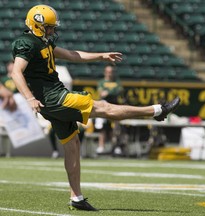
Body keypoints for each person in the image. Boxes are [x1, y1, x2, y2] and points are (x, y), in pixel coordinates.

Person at [11, 5, 180, 211]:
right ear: (36, 25)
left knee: (72, 145)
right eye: (48, 28)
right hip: (55, 97)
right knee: (104, 107)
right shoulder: (26, 43)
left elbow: (73, 55)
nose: (52, 31)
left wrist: (100, 56)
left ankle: (76, 197)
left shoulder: (41, 43)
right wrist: (29, 99)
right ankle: (157, 111)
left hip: (52, 101)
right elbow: (16, 73)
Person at [96, 65, 123, 154]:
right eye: (108, 72)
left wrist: (108, 91)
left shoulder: (117, 82)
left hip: (115, 106)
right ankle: (101, 146)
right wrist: (112, 91)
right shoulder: (101, 82)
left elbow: (119, 90)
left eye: (111, 72)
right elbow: (101, 93)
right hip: (104, 107)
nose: (109, 74)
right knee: (102, 128)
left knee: (116, 128)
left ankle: (116, 146)